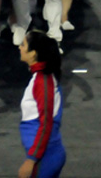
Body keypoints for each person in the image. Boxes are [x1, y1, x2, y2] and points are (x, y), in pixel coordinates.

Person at [17, 30, 66, 178]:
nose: (19, 47)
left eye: (23, 44)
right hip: (45, 156)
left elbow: (46, 123)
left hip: (45, 158)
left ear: (33, 54)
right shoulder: (42, 76)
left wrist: (31, 160)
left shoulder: (43, 82)